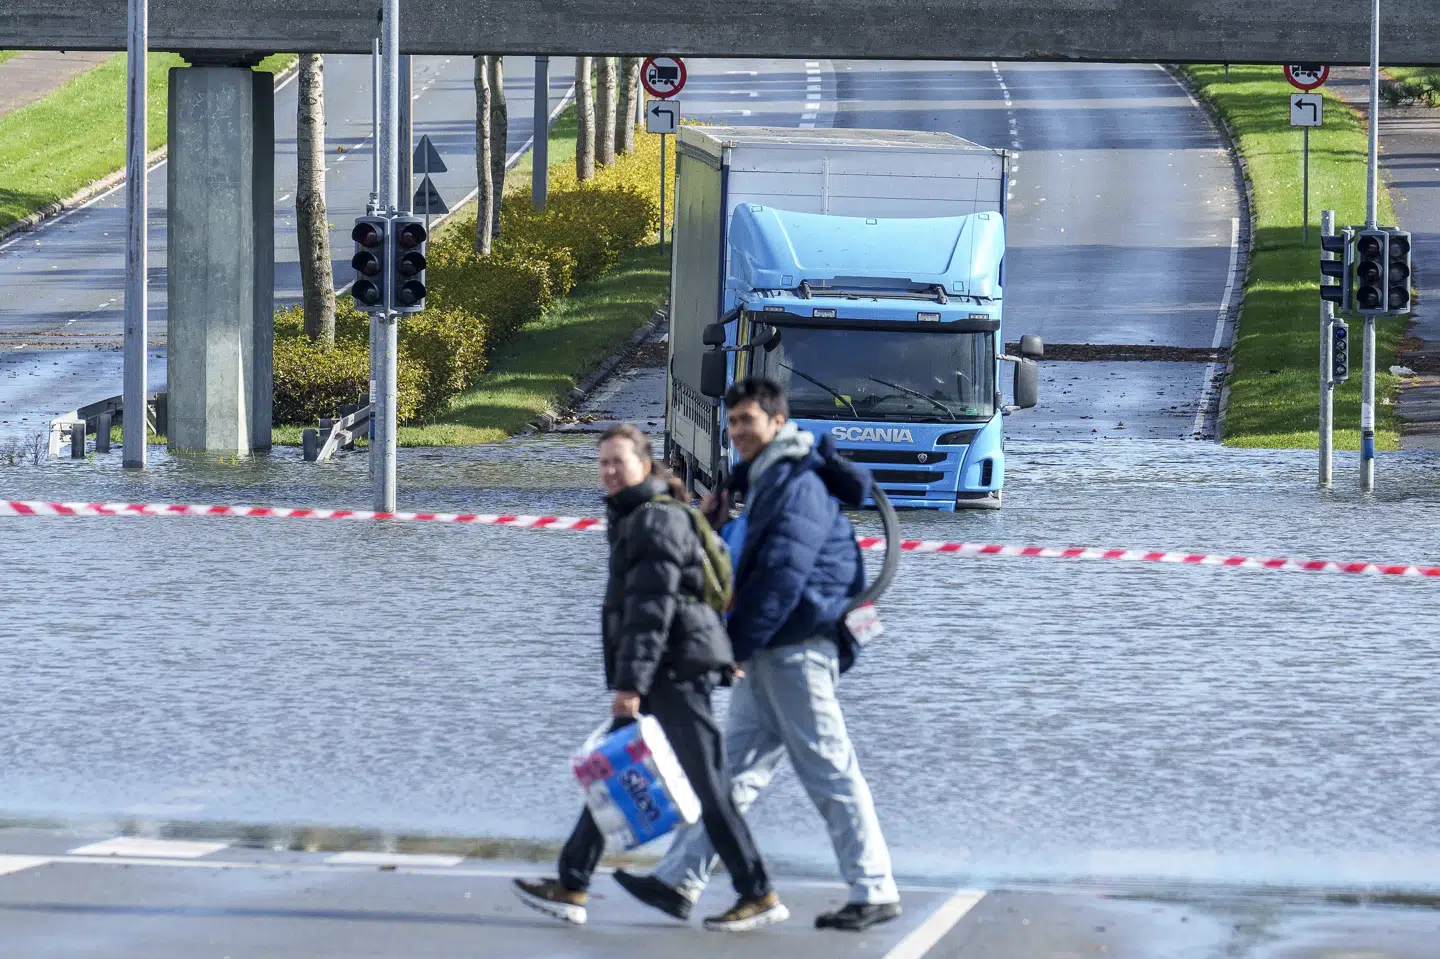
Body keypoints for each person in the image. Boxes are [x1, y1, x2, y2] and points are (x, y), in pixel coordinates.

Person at [614, 378, 902, 932]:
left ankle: (874, 889)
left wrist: (734, 648)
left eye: (748, 420)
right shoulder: (766, 479)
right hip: (772, 648)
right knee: (733, 775)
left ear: (778, 422)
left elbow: (780, 579)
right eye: (732, 422)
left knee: (830, 770)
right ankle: (676, 879)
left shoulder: (797, 485)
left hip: (797, 647)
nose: (738, 431)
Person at [513, 423, 789, 933]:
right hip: (668, 665)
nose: (610, 471)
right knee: (613, 767)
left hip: (675, 669)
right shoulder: (639, 514)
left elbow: (651, 612)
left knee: (709, 786)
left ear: (644, 464)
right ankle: (572, 883)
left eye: (619, 461)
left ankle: (757, 891)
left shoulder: (652, 521)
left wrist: (630, 686)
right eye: (603, 462)